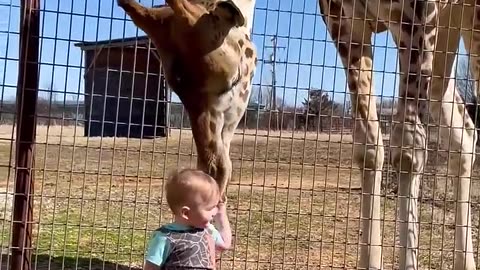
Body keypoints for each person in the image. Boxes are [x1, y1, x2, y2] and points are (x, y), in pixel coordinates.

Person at [144, 168, 232, 270]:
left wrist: (222, 215)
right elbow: (151, 267)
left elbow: (225, 244)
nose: (215, 212)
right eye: (210, 208)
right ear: (186, 213)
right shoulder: (165, 237)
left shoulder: (208, 230)